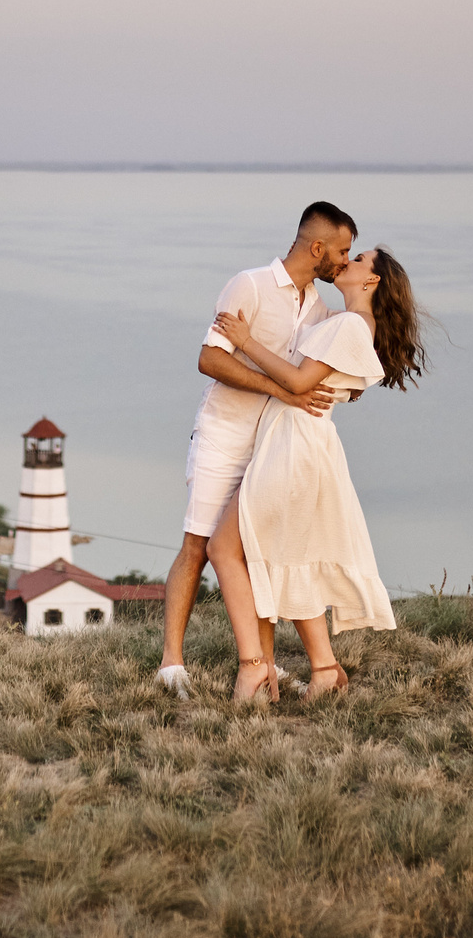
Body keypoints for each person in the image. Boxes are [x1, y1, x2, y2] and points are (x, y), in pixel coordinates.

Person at [206, 245, 427, 702]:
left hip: (294, 446)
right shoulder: (351, 325)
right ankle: (325, 669)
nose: (348, 261)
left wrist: (245, 341)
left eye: (359, 258)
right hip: (304, 445)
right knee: (292, 557)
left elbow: (300, 383)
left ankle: (252, 667)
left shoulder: (349, 325)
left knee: (223, 548)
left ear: (373, 281)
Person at [155, 203, 355, 698]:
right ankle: (171, 664)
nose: (344, 262)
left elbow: (327, 368)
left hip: (274, 448)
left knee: (257, 553)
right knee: (198, 545)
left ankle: (262, 663)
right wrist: (281, 390)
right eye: (342, 251)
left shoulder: (322, 309)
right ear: (317, 248)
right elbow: (210, 359)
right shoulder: (248, 285)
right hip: (223, 436)